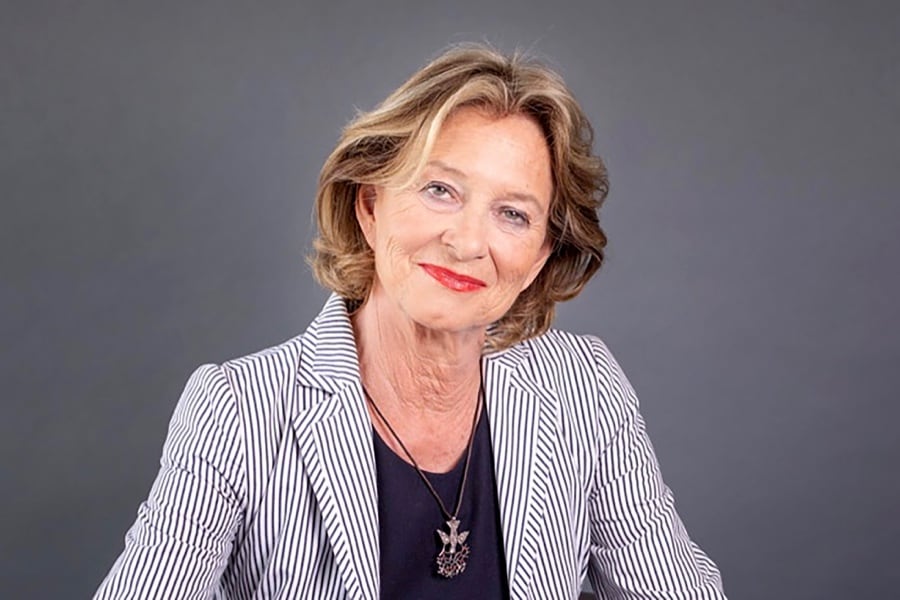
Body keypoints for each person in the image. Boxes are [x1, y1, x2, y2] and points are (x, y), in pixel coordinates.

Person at [94, 44, 727, 599]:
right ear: (371, 206)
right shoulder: (239, 412)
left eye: (512, 214)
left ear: (538, 259)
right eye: (439, 189)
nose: (467, 242)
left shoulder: (583, 389)